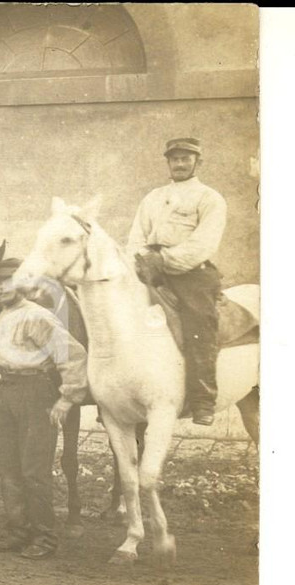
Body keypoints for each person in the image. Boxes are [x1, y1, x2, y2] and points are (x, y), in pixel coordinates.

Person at [0, 258, 88, 559]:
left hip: (35, 393)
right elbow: (7, 357)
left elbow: (75, 356)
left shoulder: (39, 316)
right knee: (8, 470)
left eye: (8, 281)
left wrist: (67, 398)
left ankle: (45, 537)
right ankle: (19, 531)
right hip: (5, 393)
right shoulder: (1, 318)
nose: (2, 288)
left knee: (34, 471)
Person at [128, 137, 227, 426]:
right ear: (168, 163)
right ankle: (121, 396)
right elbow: (136, 235)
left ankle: (202, 400)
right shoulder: (153, 197)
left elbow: (203, 244)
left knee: (199, 325)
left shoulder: (209, 198)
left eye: (186, 159)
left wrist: (166, 260)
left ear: (198, 162)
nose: (180, 164)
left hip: (191, 273)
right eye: (175, 159)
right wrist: (141, 259)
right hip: (150, 268)